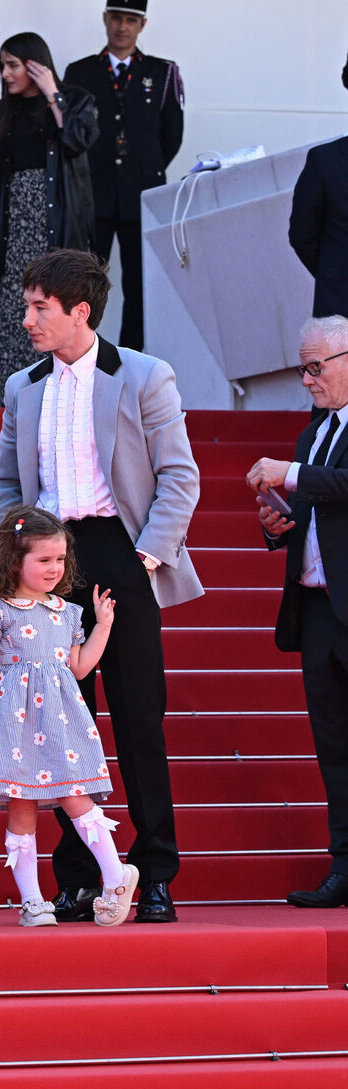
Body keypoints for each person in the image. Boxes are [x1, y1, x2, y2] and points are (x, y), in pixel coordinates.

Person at [0, 247, 201, 925]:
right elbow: (6, 482)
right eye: (26, 306)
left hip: (121, 552)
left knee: (139, 717)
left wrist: (145, 560)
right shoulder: (23, 386)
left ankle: (156, 872)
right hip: (50, 558)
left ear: (80, 310)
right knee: (58, 724)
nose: (27, 320)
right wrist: (18, 552)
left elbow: (179, 476)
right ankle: (79, 877)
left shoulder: (144, 374)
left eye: (39, 308)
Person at [0, 507, 136, 927]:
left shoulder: (68, 613)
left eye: (60, 559)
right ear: (15, 560)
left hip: (58, 724)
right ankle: (33, 902)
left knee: (75, 796)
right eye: (44, 560)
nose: (55, 568)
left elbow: (80, 667)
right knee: (21, 809)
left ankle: (115, 875)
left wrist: (103, 626)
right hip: (13, 726)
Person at [247, 316, 348, 908]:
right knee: (333, 746)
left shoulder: (308, 452)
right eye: (302, 369)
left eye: (315, 367)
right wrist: (277, 525)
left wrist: (292, 474)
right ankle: (344, 865)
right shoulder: (314, 434)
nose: (307, 380)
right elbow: (316, 509)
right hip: (316, 611)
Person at [0, 33, 99, 405]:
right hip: (10, 228)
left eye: (13, 65)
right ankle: (3, 405)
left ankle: (59, 401)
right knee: (9, 315)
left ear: (35, 65)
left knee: (55, 309)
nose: (5, 73)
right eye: (2, 66)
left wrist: (52, 94)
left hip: (55, 226)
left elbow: (77, 140)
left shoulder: (76, 100)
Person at [64, 0, 185, 352]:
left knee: (140, 284)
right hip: (94, 194)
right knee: (83, 282)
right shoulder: (80, 72)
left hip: (141, 194)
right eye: (116, 18)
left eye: (130, 20)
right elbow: (71, 132)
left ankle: (129, 359)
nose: (122, 26)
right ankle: (81, 353)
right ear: (105, 19)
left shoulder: (162, 72)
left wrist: (144, 168)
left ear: (142, 25)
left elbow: (171, 135)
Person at [289, 56, 348, 320]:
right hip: (340, 318)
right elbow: (302, 235)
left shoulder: (325, 160)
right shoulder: (324, 160)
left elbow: (303, 235)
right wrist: (333, 275)